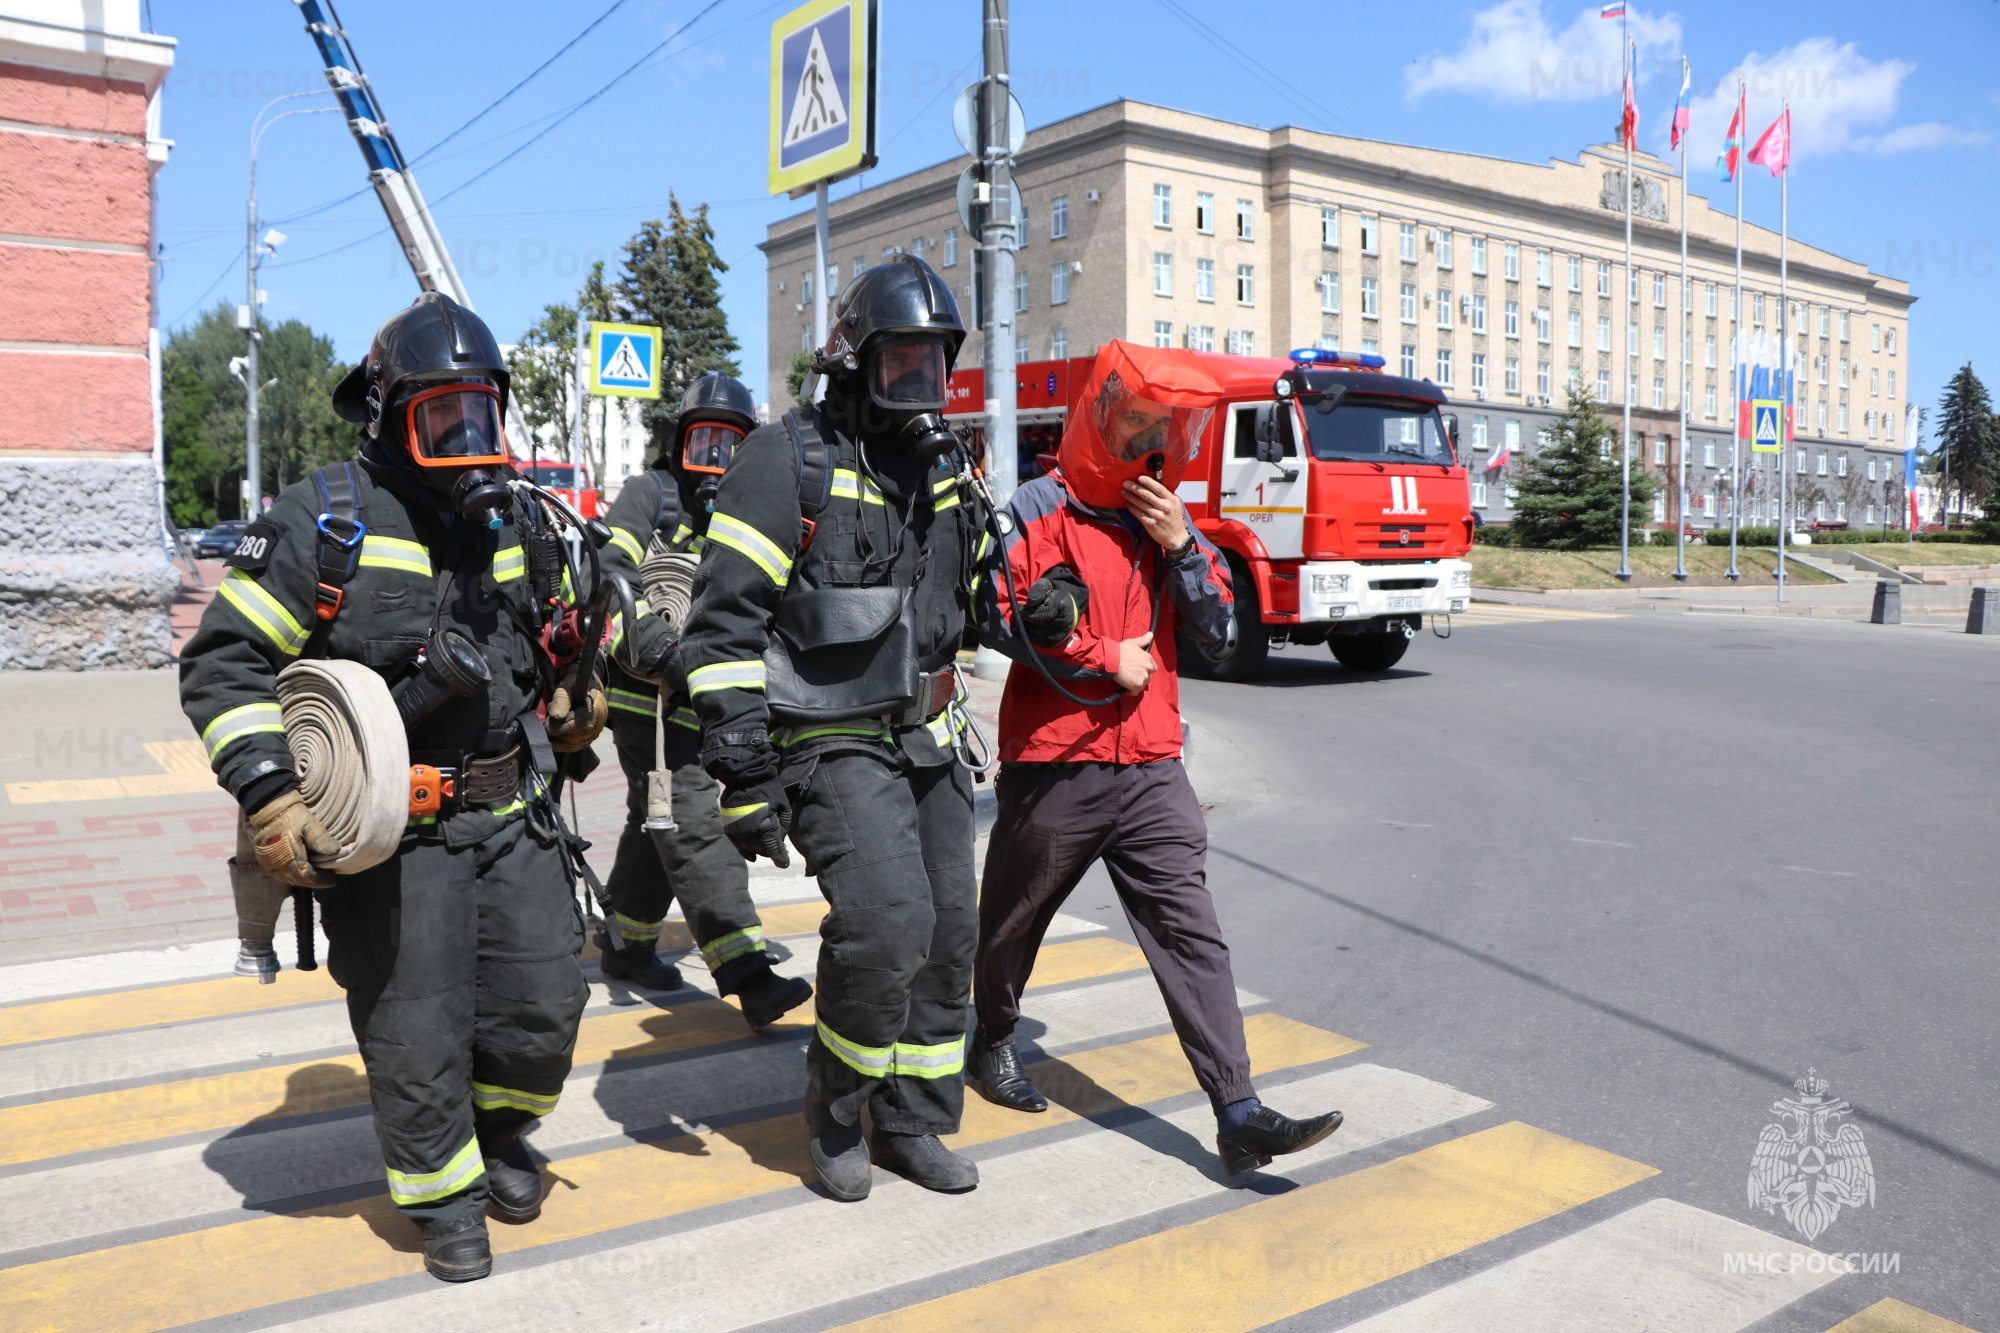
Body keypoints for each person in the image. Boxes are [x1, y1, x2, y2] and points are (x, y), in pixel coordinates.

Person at [179, 293, 604, 1282]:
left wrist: (581, 694)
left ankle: (500, 1134)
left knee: (543, 1005)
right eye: (437, 416)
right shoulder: (326, 520)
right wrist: (273, 794)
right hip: (394, 835)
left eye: (478, 414)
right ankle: (442, 1191)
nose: (464, 438)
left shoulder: (517, 519)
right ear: (385, 413)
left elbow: (554, 642)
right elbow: (223, 664)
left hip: (514, 814)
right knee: (417, 1031)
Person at [972, 341, 1343, 1178]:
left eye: (1165, 429)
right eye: (1137, 422)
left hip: (1151, 768)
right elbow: (1001, 618)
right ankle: (992, 1036)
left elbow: (1218, 632)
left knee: (1192, 933)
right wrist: (1107, 656)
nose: (1152, 443)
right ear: (1101, 418)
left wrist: (1180, 545)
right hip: (1055, 764)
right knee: (1011, 923)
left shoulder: (1167, 516)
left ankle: (1238, 1109)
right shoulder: (1035, 506)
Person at [679, 254, 989, 1202]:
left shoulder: (941, 466)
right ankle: (836, 1102)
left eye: (935, 364)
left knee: (950, 932)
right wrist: (739, 761)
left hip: (928, 731)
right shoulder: (787, 457)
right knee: (889, 921)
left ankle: (914, 1120)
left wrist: (1038, 605)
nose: (921, 386)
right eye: (901, 362)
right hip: (827, 733)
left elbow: (964, 600)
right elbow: (723, 620)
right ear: (855, 361)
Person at [591, 371, 814, 1030]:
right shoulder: (650, 496)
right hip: (649, 703)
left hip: (721, 702)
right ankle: (746, 970)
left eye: (732, 445)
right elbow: (607, 581)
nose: (716, 463)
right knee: (693, 815)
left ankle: (627, 944)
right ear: (679, 443)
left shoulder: (754, 507)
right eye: (703, 443)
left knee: (652, 821)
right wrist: (662, 648)